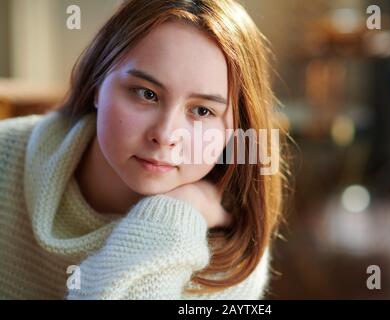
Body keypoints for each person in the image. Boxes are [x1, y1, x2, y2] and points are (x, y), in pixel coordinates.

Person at [0, 0, 289, 299]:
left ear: (235, 130)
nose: (165, 135)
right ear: (99, 84)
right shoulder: (5, 156)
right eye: (146, 94)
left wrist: (173, 217)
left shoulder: (232, 259)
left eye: (202, 112)